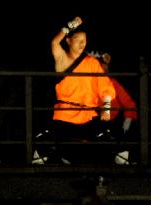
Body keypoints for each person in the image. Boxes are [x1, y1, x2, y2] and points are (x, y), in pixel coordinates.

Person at [34, 17, 114, 165]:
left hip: (88, 114)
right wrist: (70, 26)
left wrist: (107, 108)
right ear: (69, 41)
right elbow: (54, 43)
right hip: (64, 113)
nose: (82, 44)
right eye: (78, 39)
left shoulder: (92, 62)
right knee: (45, 140)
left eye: (84, 40)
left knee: (106, 139)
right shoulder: (62, 59)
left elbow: (105, 85)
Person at [88, 50, 137, 164]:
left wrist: (128, 120)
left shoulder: (113, 83)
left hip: (113, 124)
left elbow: (130, 104)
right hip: (94, 124)